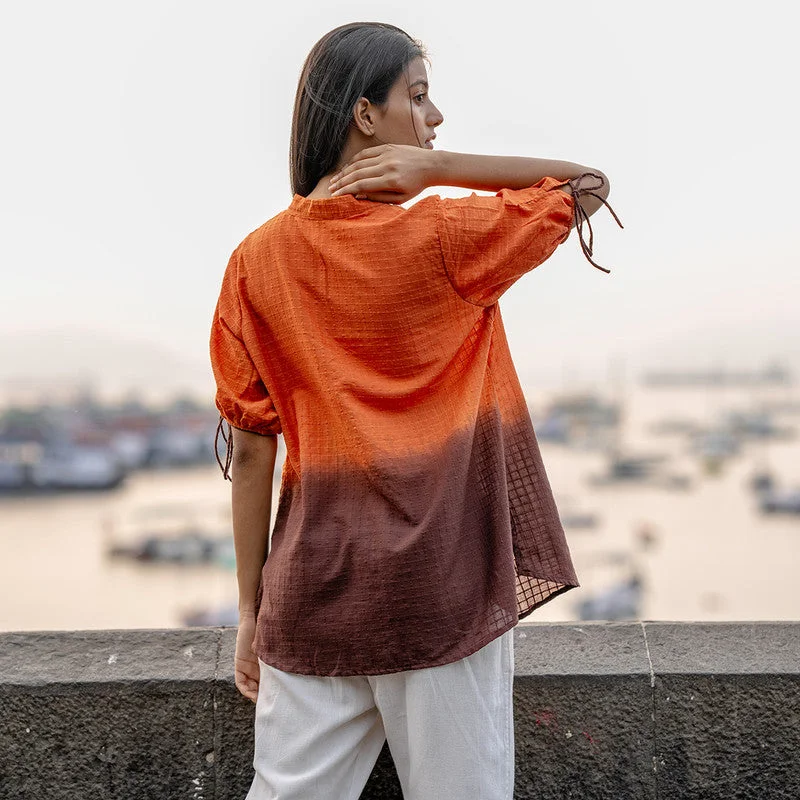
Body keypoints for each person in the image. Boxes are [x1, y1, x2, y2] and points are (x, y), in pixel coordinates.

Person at [209, 21, 621, 800]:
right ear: (367, 116)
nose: (434, 119)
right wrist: (435, 172)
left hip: (313, 596)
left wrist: (249, 610)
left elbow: (253, 449)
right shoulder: (446, 235)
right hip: (442, 590)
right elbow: (588, 183)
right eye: (420, 98)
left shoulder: (255, 262)